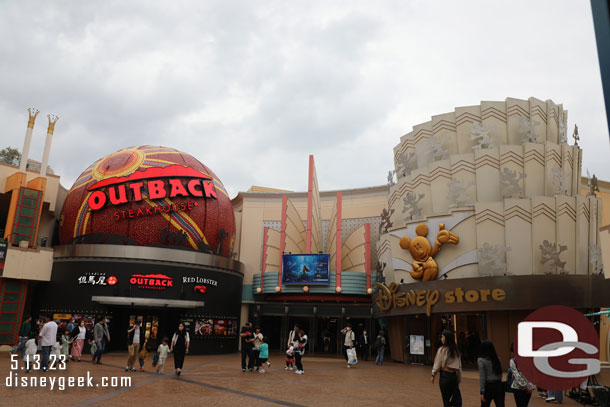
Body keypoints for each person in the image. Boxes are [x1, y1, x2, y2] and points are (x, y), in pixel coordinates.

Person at [431, 330, 462, 407]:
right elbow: (459, 367)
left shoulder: (442, 349)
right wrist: (459, 379)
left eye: (442, 337)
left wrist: (433, 375)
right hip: (454, 377)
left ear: (446, 338)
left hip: (445, 377)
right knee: (454, 400)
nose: (441, 339)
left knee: (446, 400)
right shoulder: (456, 350)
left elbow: (437, 363)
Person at [478, 340, 504, 407]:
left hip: (488, 387)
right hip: (499, 385)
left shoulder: (481, 360)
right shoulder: (497, 358)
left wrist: (482, 392)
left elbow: (482, 377)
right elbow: (500, 373)